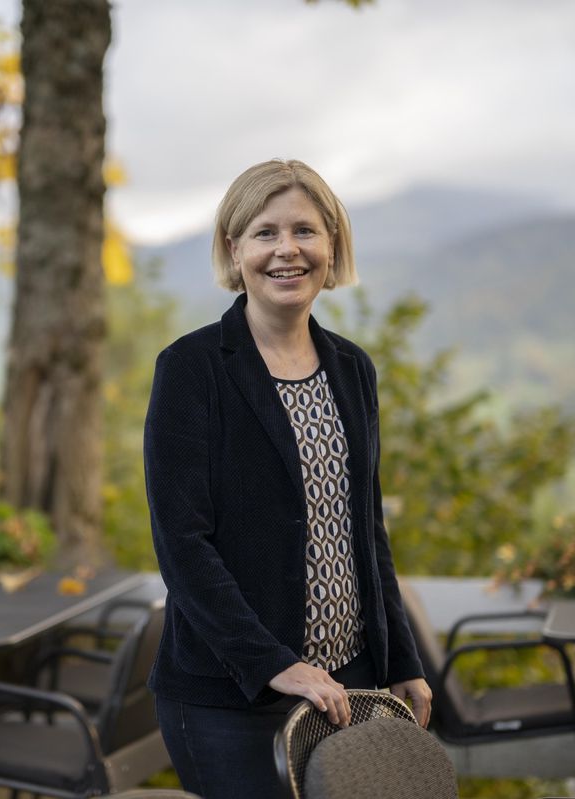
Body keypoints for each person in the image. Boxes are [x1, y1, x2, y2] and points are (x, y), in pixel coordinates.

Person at [144, 158, 432, 798]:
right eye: (265, 232)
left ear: (331, 245)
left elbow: (366, 530)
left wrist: (402, 661)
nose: (287, 250)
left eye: (305, 230)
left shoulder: (352, 370)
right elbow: (181, 544)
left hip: (347, 685)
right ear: (234, 248)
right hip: (231, 695)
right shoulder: (191, 369)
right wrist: (277, 665)